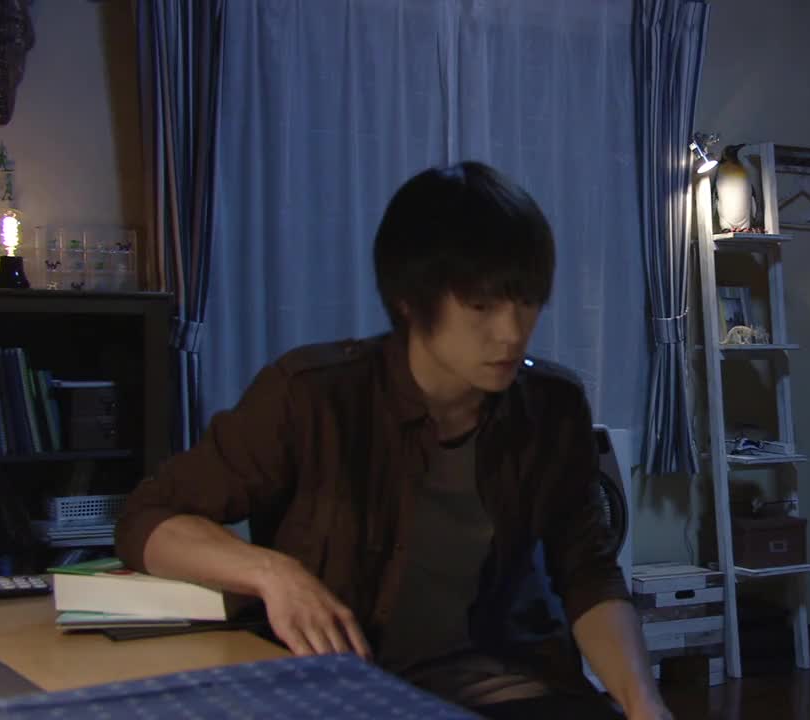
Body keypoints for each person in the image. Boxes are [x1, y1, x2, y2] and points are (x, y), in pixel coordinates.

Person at [115, 162, 671, 720]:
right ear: (410, 300)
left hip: (516, 686)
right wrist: (273, 573)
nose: (511, 331)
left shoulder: (551, 405)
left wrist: (644, 703)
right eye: (481, 306)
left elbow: (588, 572)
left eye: (525, 302)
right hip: (356, 690)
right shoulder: (313, 395)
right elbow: (146, 520)